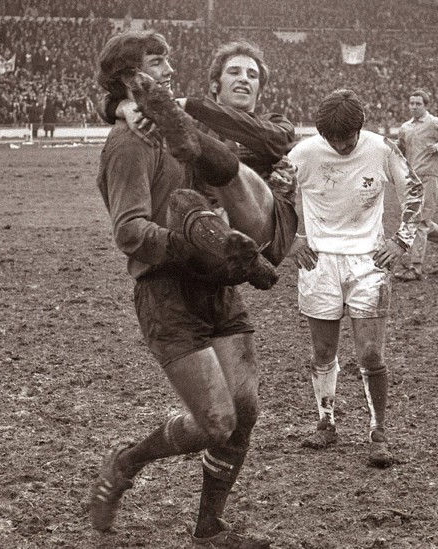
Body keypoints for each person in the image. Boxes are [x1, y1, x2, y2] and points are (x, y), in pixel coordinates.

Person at [89, 29, 273, 548]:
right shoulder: (129, 142)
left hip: (215, 285)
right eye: (156, 61)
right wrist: (194, 239)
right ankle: (126, 462)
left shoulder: (174, 127)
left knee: (245, 410)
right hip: (166, 292)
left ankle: (209, 528)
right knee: (216, 422)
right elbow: (128, 231)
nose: (169, 70)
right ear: (130, 77)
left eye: (169, 60)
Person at [286, 89, 424, 467]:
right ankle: (326, 423)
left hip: (368, 263)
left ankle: (378, 432)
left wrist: (401, 241)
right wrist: (290, 241)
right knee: (323, 353)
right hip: (318, 263)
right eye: (332, 139)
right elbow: (272, 194)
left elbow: (414, 190)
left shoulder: (381, 149)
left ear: (359, 129)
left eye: (346, 139)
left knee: (371, 354)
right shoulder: (304, 154)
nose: (339, 146)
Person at [104, 40, 298, 267]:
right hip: (209, 230)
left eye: (252, 75)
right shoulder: (190, 122)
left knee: (228, 165)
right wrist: (121, 104)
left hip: (262, 225)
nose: (244, 78)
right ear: (215, 85)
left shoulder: (276, 125)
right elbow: (120, 95)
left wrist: (190, 105)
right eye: (234, 72)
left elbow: (279, 140)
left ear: (259, 89)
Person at [394, 89, 438, 281]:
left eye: (418, 104)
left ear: (425, 106)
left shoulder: (434, 123)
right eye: (411, 103)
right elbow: (401, 148)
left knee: (419, 221)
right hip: (411, 179)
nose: (414, 107)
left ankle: (415, 267)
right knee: (417, 221)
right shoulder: (405, 127)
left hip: (429, 177)